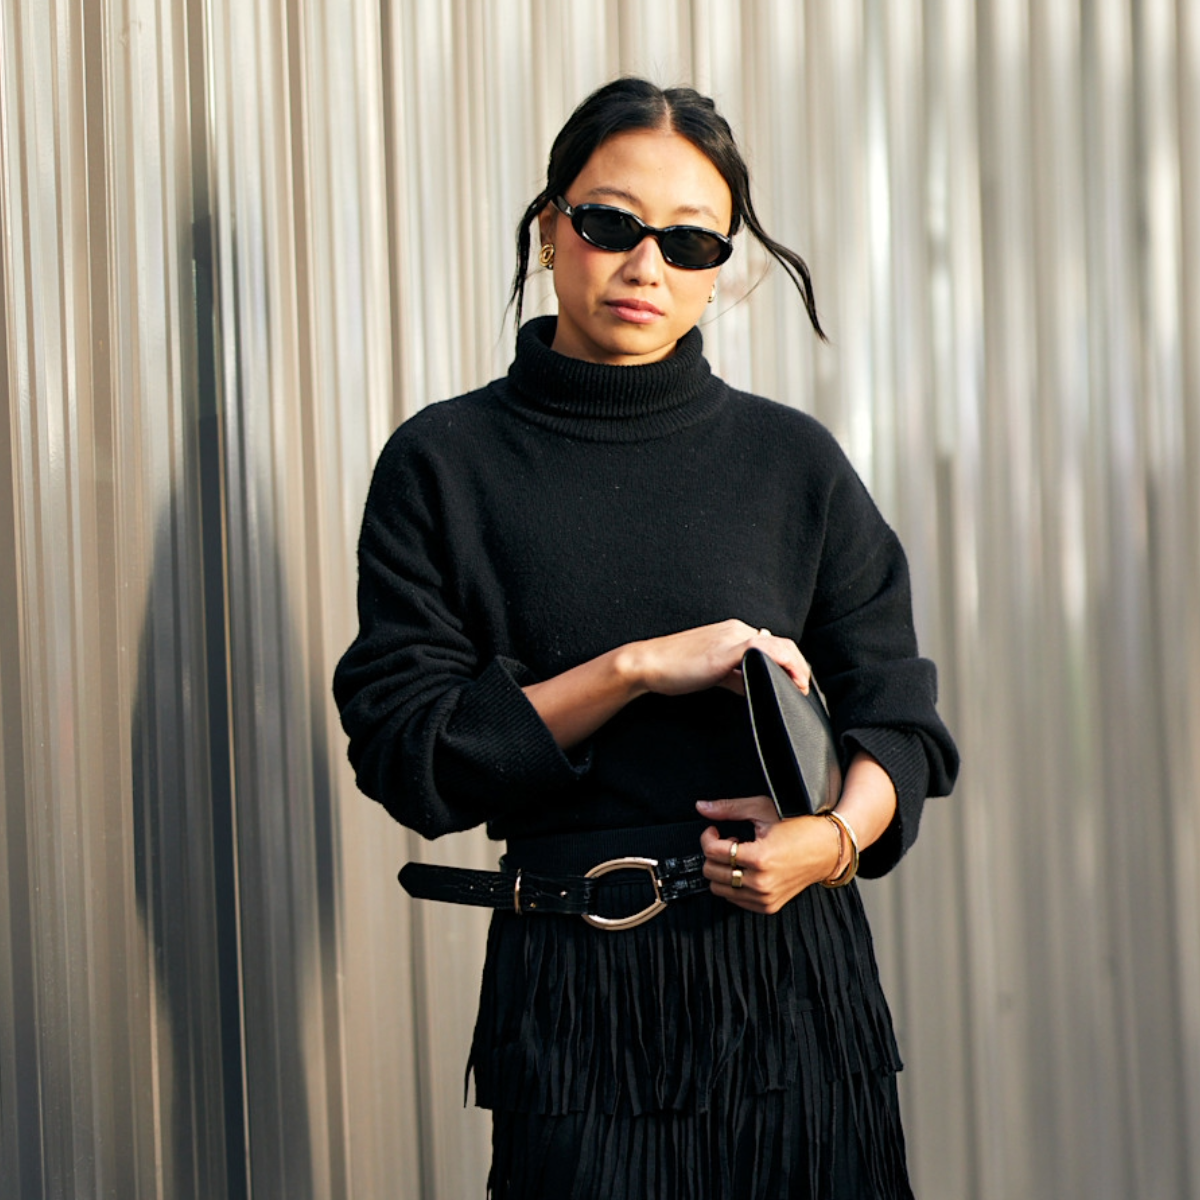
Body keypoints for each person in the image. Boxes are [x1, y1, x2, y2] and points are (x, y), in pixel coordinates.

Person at [334, 77, 958, 1200]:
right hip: (575, 1002)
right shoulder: (446, 464)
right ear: (550, 226)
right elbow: (410, 757)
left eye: (690, 241)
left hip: (796, 994)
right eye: (610, 223)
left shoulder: (791, 464)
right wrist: (632, 670)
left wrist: (834, 842)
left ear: (727, 263)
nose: (646, 265)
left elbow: (901, 722)